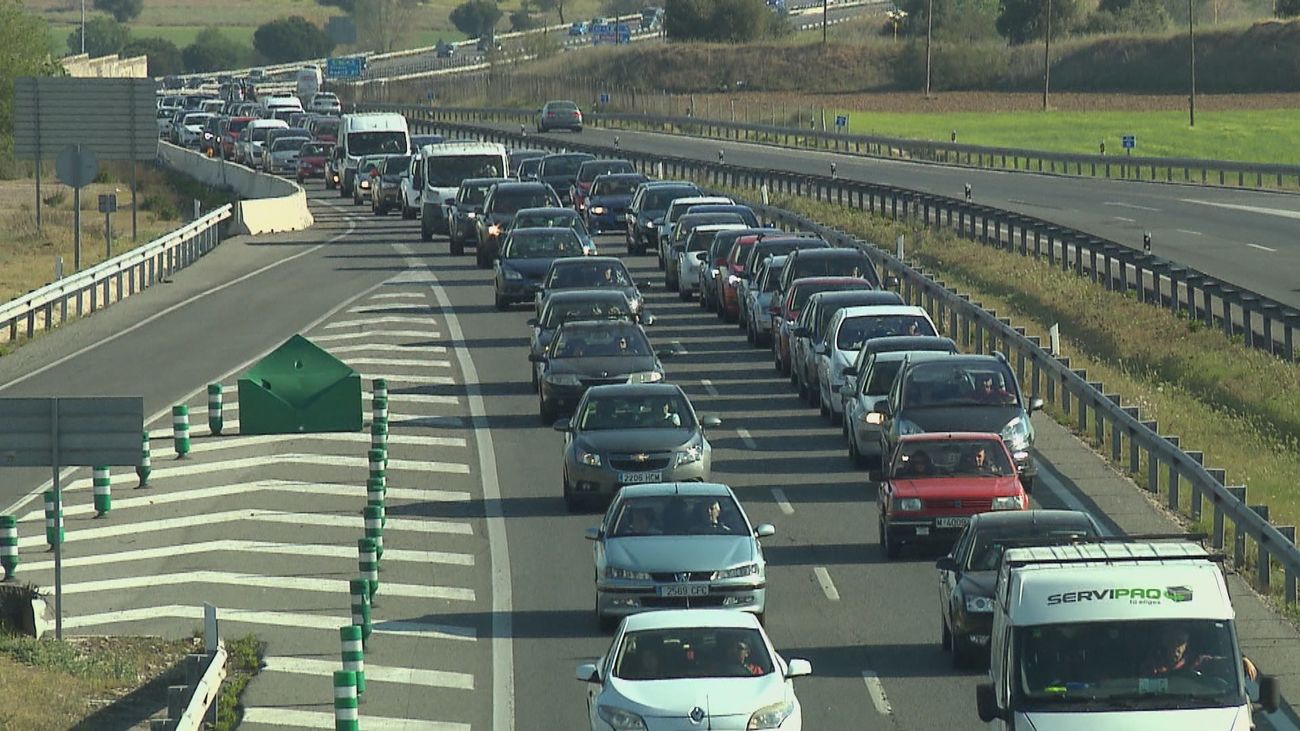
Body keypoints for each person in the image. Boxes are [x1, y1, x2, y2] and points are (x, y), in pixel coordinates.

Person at [1142, 626, 1251, 681]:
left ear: (1187, 644)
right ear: (1165, 641)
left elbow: (1218, 663)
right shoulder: (1153, 665)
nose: (1177, 648)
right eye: (1173, 641)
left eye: (1181, 642)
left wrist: (1242, 661)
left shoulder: (1195, 662)